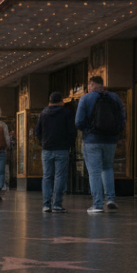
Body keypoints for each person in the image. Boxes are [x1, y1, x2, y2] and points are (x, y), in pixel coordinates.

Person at [75, 75, 127, 213]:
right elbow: (122, 119)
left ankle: (97, 204)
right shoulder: (115, 97)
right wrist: (115, 133)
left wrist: (89, 130)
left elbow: (78, 122)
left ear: (91, 85)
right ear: (102, 85)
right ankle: (110, 199)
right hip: (110, 140)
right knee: (108, 168)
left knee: (94, 172)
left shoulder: (85, 98)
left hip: (92, 141)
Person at [35, 91, 75, 213]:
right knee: (60, 177)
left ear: (50, 101)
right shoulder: (67, 114)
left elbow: (38, 132)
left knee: (47, 176)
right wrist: (70, 145)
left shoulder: (43, 114)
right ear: (61, 101)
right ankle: (57, 204)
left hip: (47, 149)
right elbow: (72, 132)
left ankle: (46, 204)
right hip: (62, 149)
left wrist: (43, 142)